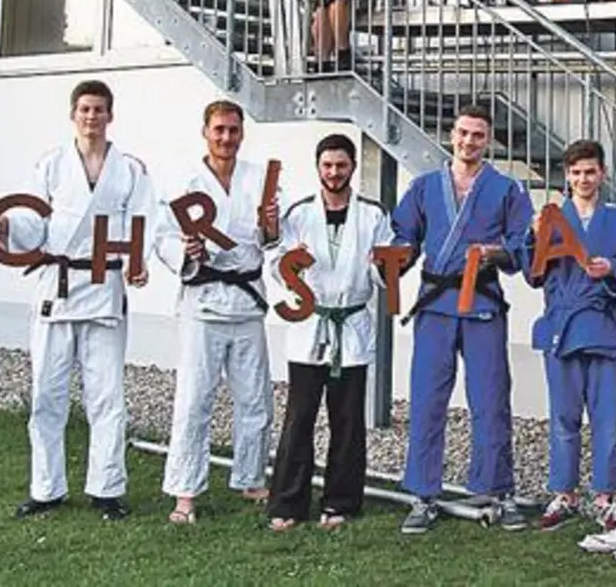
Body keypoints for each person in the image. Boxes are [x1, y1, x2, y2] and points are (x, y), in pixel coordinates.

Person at [0, 79, 153, 522]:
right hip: (56, 290)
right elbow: (29, 220)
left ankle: (107, 488)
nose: (92, 117)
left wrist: (141, 261)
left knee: (107, 395)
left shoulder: (130, 169)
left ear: (111, 116)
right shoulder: (51, 165)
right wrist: (1, 230)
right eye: (85, 109)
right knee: (48, 395)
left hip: (104, 289)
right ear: (73, 114)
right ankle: (45, 489)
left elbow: (145, 221)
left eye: (99, 110)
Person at [392, 105, 534, 534]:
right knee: (427, 399)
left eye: (477, 135)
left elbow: (520, 245)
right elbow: (404, 237)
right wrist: (394, 257)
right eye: (463, 133)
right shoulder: (423, 187)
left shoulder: (506, 189)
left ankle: (497, 489)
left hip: (482, 302)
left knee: (491, 398)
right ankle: (422, 494)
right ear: (451, 136)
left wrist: (496, 253)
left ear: (487, 141)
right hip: (436, 303)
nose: (468, 141)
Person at [152, 99, 281, 524]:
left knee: (256, 397)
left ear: (242, 133)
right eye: (219, 130)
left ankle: (249, 477)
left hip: (247, 302)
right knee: (194, 400)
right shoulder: (186, 181)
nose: (226, 137)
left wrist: (271, 227)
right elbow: (162, 236)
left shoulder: (260, 178)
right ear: (205, 132)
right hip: (203, 304)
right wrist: (186, 253)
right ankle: (185, 492)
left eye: (233, 130)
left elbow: (271, 241)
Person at [266, 133, 395, 531]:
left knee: (348, 421)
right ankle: (287, 504)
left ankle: (340, 502)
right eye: (327, 165)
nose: (334, 172)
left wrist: (384, 264)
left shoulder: (373, 215)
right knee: (299, 418)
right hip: (310, 323)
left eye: (341, 165)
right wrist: (289, 272)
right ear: (318, 167)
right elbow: (274, 261)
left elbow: (383, 272)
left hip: (351, 326)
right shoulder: (298, 213)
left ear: (353, 167)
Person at [526, 139, 616, 532]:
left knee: (607, 417)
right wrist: (532, 238)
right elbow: (533, 273)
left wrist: (611, 267)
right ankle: (564, 492)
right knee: (564, 417)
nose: (583, 179)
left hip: (602, 326)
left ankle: (606, 495)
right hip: (561, 326)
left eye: (590, 171)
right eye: (575, 172)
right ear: (567, 176)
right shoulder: (551, 218)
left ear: (603, 174)